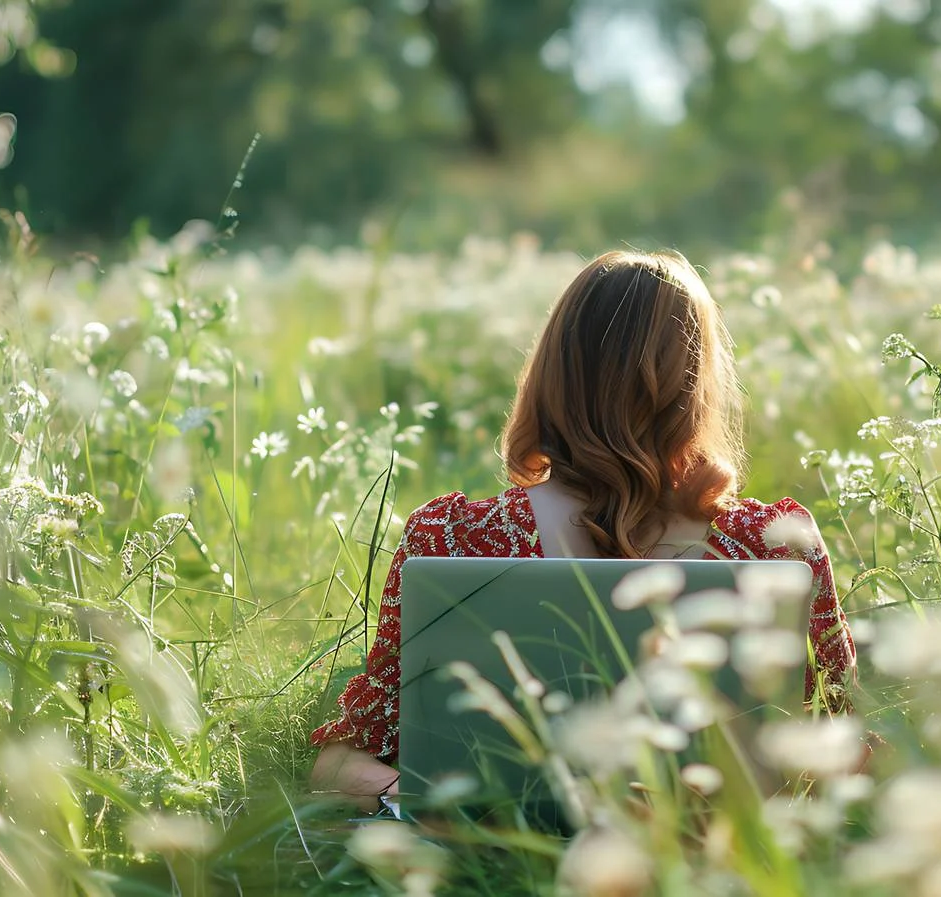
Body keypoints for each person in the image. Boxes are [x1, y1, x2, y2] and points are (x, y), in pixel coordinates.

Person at [308, 249, 858, 810]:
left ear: (552, 374)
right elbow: (842, 748)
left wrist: (441, 810)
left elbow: (343, 760)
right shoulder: (773, 545)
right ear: (697, 385)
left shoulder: (455, 537)